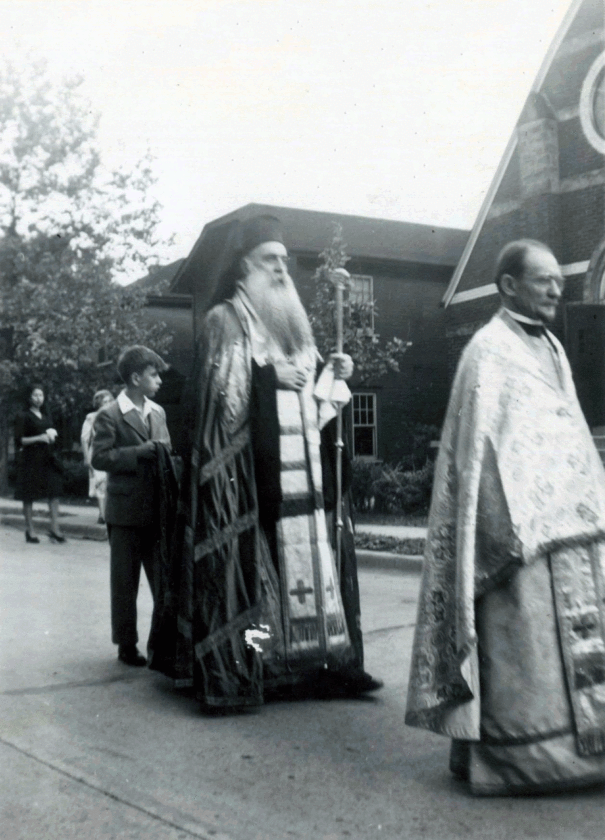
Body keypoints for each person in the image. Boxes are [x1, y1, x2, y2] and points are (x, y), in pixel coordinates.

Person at [150, 214, 382, 712]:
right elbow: (217, 405)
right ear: (243, 266)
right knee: (257, 580)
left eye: (284, 260)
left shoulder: (292, 321)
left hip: (304, 477)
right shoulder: (225, 320)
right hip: (251, 481)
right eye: (269, 259)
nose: (281, 268)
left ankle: (324, 661)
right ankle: (257, 666)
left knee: (312, 567)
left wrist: (336, 374)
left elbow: (314, 403)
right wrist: (267, 378)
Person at [405, 239, 605, 795]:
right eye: (544, 280)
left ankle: (586, 752)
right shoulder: (487, 351)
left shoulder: (553, 347)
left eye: (558, 281)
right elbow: (479, 453)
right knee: (524, 650)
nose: (556, 290)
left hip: (571, 527)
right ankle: (523, 759)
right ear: (509, 285)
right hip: (518, 538)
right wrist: (509, 528)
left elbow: (567, 429)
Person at [91, 346, 178, 667]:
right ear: (136, 378)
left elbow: (167, 449)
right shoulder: (110, 414)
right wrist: (137, 453)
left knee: (163, 581)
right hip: (125, 512)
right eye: (154, 375)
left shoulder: (158, 412)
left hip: (156, 510)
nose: (159, 381)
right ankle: (126, 644)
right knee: (124, 583)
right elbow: (100, 457)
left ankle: (163, 643)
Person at [14, 384, 65, 544]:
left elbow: (49, 433)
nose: (38, 398)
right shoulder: (23, 415)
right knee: (29, 495)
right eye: (35, 395)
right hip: (30, 459)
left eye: (41, 395)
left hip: (47, 458)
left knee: (54, 491)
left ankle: (54, 529)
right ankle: (30, 530)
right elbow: (20, 440)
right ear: (29, 397)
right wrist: (39, 438)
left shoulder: (46, 415)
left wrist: (51, 436)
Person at [80, 389, 113, 524]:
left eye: (110, 401)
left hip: (112, 452)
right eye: (105, 402)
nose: (108, 404)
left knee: (110, 482)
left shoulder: (115, 417)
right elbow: (84, 439)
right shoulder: (91, 418)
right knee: (100, 482)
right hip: (97, 452)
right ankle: (102, 514)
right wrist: (87, 457)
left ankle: (110, 512)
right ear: (99, 404)